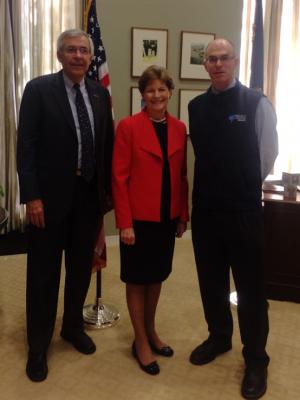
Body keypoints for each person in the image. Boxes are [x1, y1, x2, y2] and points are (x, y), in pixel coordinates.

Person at [17, 29, 114, 382]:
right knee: (43, 274)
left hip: (88, 197)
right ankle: (38, 347)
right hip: (48, 199)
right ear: (60, 55)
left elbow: (106, 145)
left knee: (78, 269)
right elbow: (26, 146)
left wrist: (107, 196)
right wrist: (32, 196)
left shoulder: (100, 94)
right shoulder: (39, 90)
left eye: (83, 51)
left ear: (91, 57)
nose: (78, 56)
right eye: (71, 50)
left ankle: (72, 327)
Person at [188, 38, 278, 399]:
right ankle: (219, 337)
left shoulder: (256, 103)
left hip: (243, 212)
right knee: (211, 282)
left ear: (236, 62)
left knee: (251, 290)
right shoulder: (195, 107)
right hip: (206, 213)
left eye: (224, 58)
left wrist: (243, 186)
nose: (218, 64)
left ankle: (256, 358)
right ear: (205, 65)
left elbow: (268, 154)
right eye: (212, 59)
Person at [112, 65, 189, 375]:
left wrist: (183, 215)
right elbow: (119, 178)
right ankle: (140, 340)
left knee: (157, 276)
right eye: (150, 90)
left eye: (162, 89)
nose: (156, 95)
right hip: (138, 219)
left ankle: (151, 331)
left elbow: (182, 176)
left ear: (169, 92)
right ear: (142, 94)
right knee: (137, 278)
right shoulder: (128, 127)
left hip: (166, 217)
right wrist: (124, 222)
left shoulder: (179, 127)